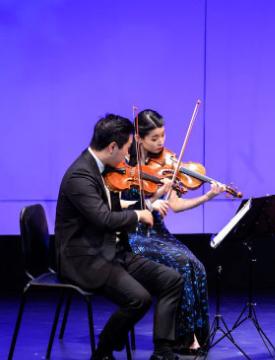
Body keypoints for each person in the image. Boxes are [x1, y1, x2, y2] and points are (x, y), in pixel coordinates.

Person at [55, 114, 183, 360]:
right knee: (139, 299)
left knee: (172, 280)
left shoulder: (99, 169)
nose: (127, 156)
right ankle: (103, 351)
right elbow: (103, 218)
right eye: (125, 149)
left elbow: (112, 203)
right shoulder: (80, 176)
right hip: (83, 257)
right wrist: (139, 214)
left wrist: (148, 202)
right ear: (112, 146)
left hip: (111, 251)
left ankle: (162, 352)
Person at [121, 109, 224, 354]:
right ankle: (183, 338)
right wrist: (154, 197)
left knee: (195, 264)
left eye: (163, 136)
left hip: (158, 232)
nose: (161, 143)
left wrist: (208, 196)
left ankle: (197, 334)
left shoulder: (166, 164)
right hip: (135, 235)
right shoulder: (123, 166)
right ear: (139, 138)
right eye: (154, 138)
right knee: (181, 265)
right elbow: (120, 204)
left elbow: (176, 205)